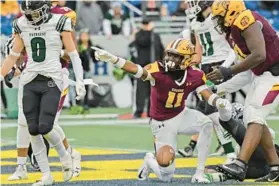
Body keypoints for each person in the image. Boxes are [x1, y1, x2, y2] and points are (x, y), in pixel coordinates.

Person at [92, 38, 232, 183]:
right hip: (162, 123)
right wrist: (113, 59)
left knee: (207, 124)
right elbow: (136, 69)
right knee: (167, 175)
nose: (171, 59)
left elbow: (205, 93)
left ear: (187, 59)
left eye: (176, 56)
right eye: (170, 54)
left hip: (181, 114)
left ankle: (199, 173)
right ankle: (149, 160)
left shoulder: (195, 74)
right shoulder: (157, 70)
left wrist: (218, 101)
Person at [0, 1, 86, 185]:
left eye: (34, 13)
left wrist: (79, 79)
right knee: (30, 127)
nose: (30, 16)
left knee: (47, 125)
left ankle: (68, 156)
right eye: (28, 13)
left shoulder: (62, 18)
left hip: (55, 75)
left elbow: (71, 53)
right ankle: (41, 173)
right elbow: (18, 52)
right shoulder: (22, 21)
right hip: (30, 76)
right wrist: (7, 72)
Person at [207, 0, 279, 182]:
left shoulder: (245, 19)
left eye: (220, 17)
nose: (218, 22)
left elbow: (260, 54)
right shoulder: (234, 33)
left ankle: (240, 164)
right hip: (266, 74)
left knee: (254, 112)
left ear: (230, 12)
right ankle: (276, 167)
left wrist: (228, 71)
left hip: (276, 73)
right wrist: (218, 88)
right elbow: (248, 71)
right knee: (252, 115)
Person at [179, 0, 236, 161]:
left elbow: (233, 49)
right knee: (207, 113)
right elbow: (198, 53)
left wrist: (224, 68)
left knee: (212, 111)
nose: (189, 5)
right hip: (205, 68)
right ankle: (231, 149)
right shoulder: (195, 23)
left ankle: (232, 150)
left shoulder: (218, 19)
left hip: (221, 65)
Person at [206, 102, 279, 181]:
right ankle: (225, 174)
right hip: (259, 168)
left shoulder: (252, 128)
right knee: (210, 169)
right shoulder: (258, 125)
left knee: (211, 169)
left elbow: (227, 122)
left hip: (260, 165)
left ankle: (229, 172)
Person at [133, 19, 164, 118]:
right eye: (144, 24)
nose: (146, 26)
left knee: (154, 91)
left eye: (147, 24)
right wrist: (147, 31)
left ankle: (151, 111)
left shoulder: (156, 36)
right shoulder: (139, 35)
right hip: (143, 68)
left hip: (155, 67)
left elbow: (161, 50)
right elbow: (144, 42)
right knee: (141, 91)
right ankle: (139, 111)